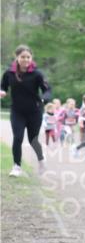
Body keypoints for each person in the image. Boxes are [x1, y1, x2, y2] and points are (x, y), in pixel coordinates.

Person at [1, 45, 51, 176]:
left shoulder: (37, 74)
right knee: (18, 137)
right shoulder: (9, 73)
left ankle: (41, 159)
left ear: (31, 58)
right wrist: (2, 92)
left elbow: (47, 90)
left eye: (28, 57)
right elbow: (3, 87)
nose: (26, 59)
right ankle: (16, 166)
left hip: (34, 111)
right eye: (22, 57)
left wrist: (44, 99)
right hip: (17, 111)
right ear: (17, 57)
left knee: (33, 140)